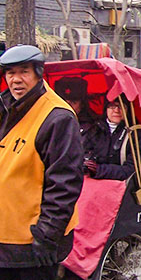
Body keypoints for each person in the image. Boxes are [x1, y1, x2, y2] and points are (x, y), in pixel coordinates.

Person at [0, 45, 83, 280]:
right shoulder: (4, 107)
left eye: (24, 71)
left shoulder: (57, 117)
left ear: (38, 73)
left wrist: (47, 235)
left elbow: (64, 184)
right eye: (10, 73)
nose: (16, 80)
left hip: (30, 242)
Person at [82, 96, 141, 180]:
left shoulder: (136, 134)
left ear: (128, 110)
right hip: (92, 181)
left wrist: (99, 170)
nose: (116, 110)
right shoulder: (93, 130)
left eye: (121, 106)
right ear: (106, 109)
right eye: (112, 106)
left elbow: (134, 170)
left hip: (122, 185)